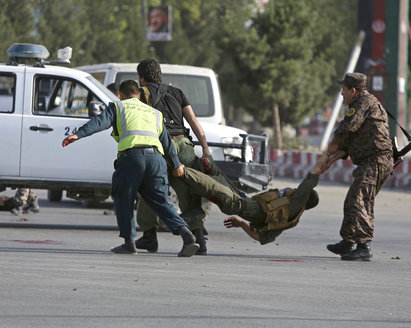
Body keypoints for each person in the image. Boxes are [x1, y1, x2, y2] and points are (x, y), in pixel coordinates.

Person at [61, 80, 199, 257]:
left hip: (132, 158)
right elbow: (167, 142)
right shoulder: (155, 113)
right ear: (139, 95)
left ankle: (129, 243)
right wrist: (176, 164)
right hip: (156, 160)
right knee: (160, 200)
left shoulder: (118, 107)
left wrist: (77, 134)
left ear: (120, 94)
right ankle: (186, 235)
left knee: (123, 197)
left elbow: (99, 122)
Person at [135, 57, 231, 255]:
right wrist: (205, 150)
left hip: (161, 147)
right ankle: (199, 241)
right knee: (187, 193)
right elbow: (194, 121)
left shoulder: (141, 94)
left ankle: (149, 236)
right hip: (185, 146)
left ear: (142, 78)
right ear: (159, 75)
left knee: (149, 189)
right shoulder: (177, 92)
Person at [173, 153, 331, 245]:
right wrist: (241, 223)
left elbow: (309, 181)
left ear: (304, 199)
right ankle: (194, 207)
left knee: (211, 186)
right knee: (210, 168)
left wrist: (326, 159)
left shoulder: (296, 204)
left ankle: (178, 169)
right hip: (241, 198)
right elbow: (262, 238)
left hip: (237, 204)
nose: (298, 191)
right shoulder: (288, 216)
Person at [321, 72, 394, 261]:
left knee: (360, 201)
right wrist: (335, 156)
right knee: (352, 199)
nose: (342, 94)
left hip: (376, 160)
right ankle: (348, 242)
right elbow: (354, 138)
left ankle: (364, 246)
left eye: (343, 90)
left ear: (353, 91)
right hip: (371, 160)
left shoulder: (362, 104)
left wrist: (330, 149)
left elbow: (347, 128)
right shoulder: (365, 102)